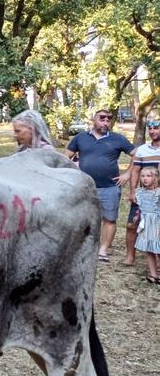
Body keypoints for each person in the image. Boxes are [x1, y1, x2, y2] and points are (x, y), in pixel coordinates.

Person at [66, 109, 135, 262]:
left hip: (110, 187)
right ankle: (83, 247)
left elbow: (137, 154)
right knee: (82, 218)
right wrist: (73, 169)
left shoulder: (118, 139)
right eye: (102, 118)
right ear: (93, 119)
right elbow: (66, 157)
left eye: (108, 119)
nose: (105, 122)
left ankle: (103, 250)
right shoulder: (80, 138)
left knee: (109, 219)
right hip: (84, 187)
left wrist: (128, 173)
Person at [125, 118, 160, 265]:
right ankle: (130, 256)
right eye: (150, 129)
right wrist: (133, 191)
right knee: (132, 224)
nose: (152, 131)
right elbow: (135, 171)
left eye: (156, 128)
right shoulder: (142, 150)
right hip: (144, 195)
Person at [133, 166, 160, 285]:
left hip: (157, 224)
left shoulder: (158, 193)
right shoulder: (140, 192)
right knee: (149, 249)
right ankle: (154, 275)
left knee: (158, 249)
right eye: (143, 176)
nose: (145, 179)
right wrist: (138, 215)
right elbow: (141, 208)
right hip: (146, 224)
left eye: (148, 176)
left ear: (155, 177)